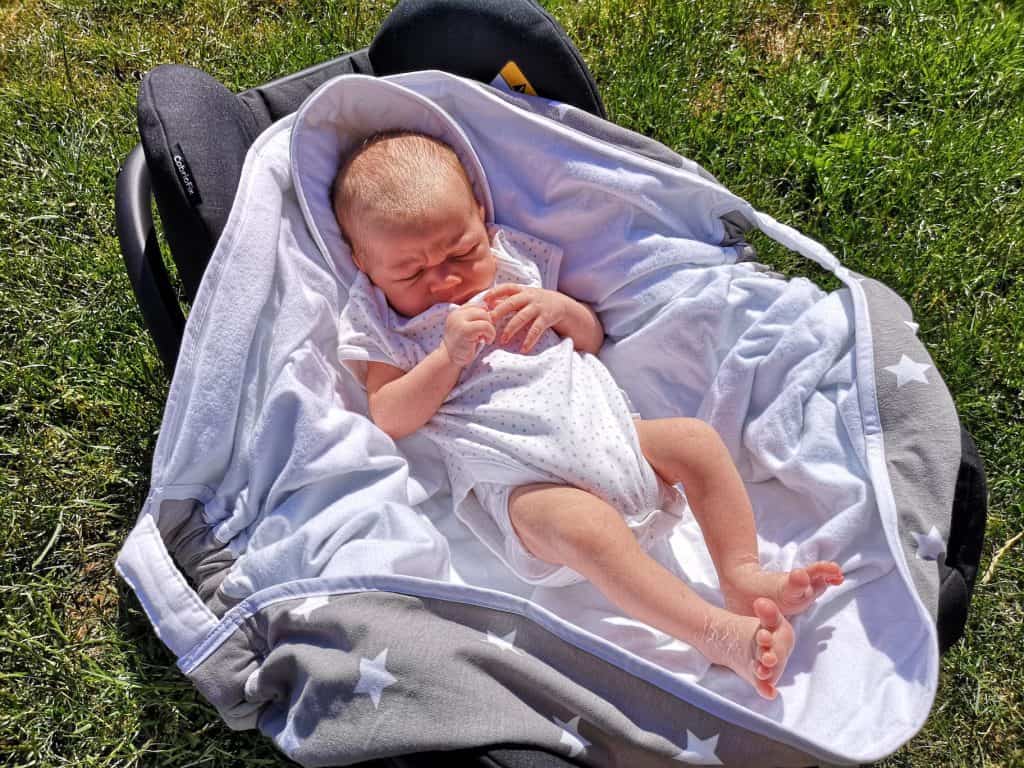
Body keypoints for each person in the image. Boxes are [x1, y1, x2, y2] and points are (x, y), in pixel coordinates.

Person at [332, 130, 843, 699]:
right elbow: (389, 414)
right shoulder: (386, 325)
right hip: (524, 483)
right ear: (365, 263)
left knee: (695, 441)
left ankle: (743, 575)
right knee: (589, 530)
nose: (445, 280)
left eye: (461, 252)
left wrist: (559, 308)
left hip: (615, 437)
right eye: (410, 273)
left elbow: (591, 338)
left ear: (480, 214)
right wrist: (447, 358)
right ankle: (717, 635)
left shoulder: (513, 265)